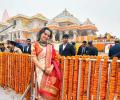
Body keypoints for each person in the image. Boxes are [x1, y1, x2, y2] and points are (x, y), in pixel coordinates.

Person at [31, 27, 62, 100]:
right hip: (40, 70)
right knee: (41, 92)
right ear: (41, 33)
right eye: (45, 34)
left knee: (50, 93)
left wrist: (50, 68)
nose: (46, 36)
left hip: (51, 71)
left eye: (48, 35)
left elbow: (56, 58)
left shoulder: (51, 46)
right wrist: (44, 69)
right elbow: (34, 58)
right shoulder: (34, 45)